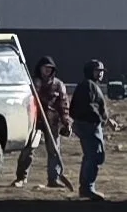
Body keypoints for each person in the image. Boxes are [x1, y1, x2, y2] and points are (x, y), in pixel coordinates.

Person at [15, 56, 71, 188]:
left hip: (52, 121)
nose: (47, 71)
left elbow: (63, 104)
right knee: (28, 149)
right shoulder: (31, 84)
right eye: (45, 68)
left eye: (50, 69)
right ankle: (21, 177)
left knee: (54, 151)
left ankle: (54, 178)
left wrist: (66, 122)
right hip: (34, 121)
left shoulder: (58, 85)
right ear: (39, 69)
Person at [72, 59, 110, 200]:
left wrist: (106, 119)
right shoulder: (87, 86)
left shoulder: (92, 85)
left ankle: (87, 187)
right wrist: (99, 119)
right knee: (93, 155)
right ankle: (87, 188)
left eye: (101, 71)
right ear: (90, 71)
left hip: (92, 125)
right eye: (97, 71)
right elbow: (87, 108)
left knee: (94, 155)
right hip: (88, 126)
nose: (100, 74)